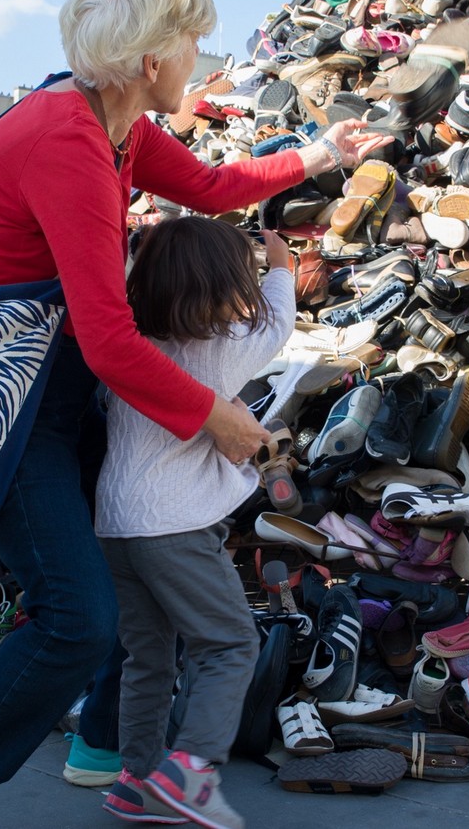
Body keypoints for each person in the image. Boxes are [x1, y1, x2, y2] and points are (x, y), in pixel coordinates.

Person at [0, 0, 384, 829]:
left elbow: (204, 186)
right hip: (7, 408)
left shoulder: (116, 124)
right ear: (148, 58)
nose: (202, 57)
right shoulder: (69, 144)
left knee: (130, 581)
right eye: (193, 40)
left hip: (57, 385)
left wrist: (311, 156)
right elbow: (109, 338)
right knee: (77, 616)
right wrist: (220, 419)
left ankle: (114, 757)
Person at [93, 216, 295, 826]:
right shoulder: (223, 349)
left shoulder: (129, 344)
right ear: (224, 281)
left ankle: (137, 778)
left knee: (148, 655)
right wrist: (282, 262)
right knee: (229, 642)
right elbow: (279, 322)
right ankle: (192, 769)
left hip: (116, 524)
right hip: (174, 525)